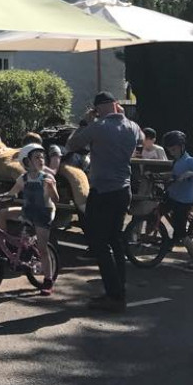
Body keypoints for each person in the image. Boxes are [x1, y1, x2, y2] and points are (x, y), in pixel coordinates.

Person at [66, 91, 143, 312]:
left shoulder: (98, 126)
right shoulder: (133, 127)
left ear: (98, 108)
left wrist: (85, 122)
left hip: (102, 190)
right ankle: (119, 290)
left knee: (99, 243)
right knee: (115, 240)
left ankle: (114, 294)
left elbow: (72, 144)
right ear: (117, 105)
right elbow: (139, 141)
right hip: (123, 189)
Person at [3, 143, 59, 295]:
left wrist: (52, 188)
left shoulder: (47, 177)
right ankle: (9, 249)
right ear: (27, 162)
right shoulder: (24, 178)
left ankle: (48, 280)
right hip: (29, 211)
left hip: (44, 212)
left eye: (42, 157)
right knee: (3, 213)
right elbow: (12, 193)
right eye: (37, 157)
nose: (41, 160)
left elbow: (56, 198)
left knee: (42, 248)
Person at [161, 130, 193, 269]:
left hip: (183, 200)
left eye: (174, 149)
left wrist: (189, 173)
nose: (172, 152)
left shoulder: (190, 161)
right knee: (159, 210)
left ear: (181, 146)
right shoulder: (177, 161)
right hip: (173, 196)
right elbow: (174, 175)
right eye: (169, 150)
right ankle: (170, 241)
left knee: (181, 232)